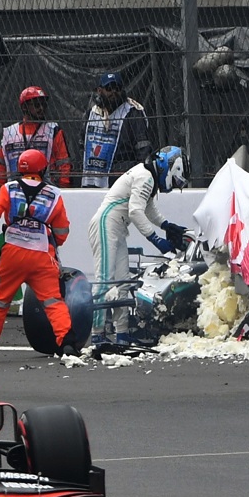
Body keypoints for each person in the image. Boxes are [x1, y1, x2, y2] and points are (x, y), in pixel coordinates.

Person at [0, 148, 77, 363]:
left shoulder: (8, 188)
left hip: (12, 253)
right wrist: (51, 243)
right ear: (43, 169)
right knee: (53, 301)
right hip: (42, 255)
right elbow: (62, 232)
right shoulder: (55, 195)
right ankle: (67, 343)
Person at [87, 145, 189, 349]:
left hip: (116, 227)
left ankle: (122, 334)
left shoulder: (148, 177)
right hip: (106, 224)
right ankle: (97, 334)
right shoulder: (145, 177)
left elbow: (148, 209)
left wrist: (167, 225)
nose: (172, 185)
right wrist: (155, 239)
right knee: (105, 279)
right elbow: (135, 211)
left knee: (123, 282)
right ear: (171, 167)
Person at [80, 71, 151, 187]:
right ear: (100, 90)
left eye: (117, 88)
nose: (114, 92)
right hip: (92, 178)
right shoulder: (92, 112)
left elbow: (143, 150)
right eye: (109, 88)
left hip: (121, 177)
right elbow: (82, 143)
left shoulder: (132, 113)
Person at [0, 85, 72, 186]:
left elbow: (63, 162)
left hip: (44, 189)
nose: (41, 108)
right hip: (14, 189)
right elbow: (1, 165)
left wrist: (64, 187)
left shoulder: (53, 130)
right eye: (37, 105)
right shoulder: (9, 133)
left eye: (44, 105)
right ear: (24, 107)